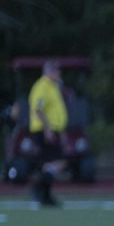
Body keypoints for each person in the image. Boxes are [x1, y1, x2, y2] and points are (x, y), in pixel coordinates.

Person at [28, 60, 68, 206]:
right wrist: (47, 129)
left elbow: (56, 111)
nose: (59, 74)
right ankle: (39, 190)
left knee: (51, 164)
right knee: (56, 162)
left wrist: (61, 130)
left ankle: (44, 193)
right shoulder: (42, 87)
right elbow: (37, 109)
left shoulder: (53, 87)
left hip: (53, 130)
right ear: (49, 71)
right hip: (44, 130)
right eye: (57, 71)